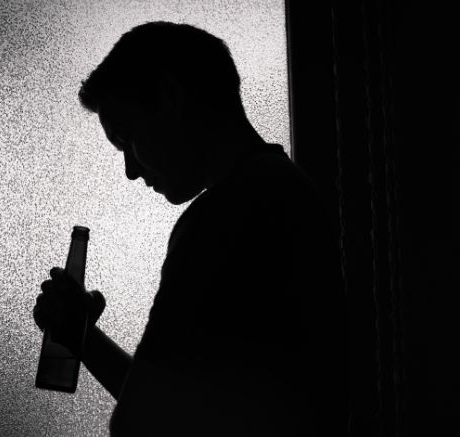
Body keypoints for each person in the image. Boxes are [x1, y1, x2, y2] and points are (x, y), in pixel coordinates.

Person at [33, 22, 349, 436]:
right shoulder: (285, 193)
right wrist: (84, 339)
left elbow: (142, 422)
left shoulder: (225, 216)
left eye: (127, 139)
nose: (129, 171)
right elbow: (183, 406)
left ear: (169, 97)